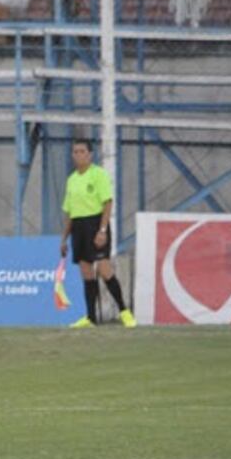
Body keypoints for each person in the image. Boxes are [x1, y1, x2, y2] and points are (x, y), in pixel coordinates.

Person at [59, 138, 136, 328]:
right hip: (78, 227)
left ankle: (125, 312)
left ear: (90, 154)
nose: (78, 155)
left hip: (95, 224)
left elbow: (107, 203)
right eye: (75, 152)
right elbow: (69, 212)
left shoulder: (98, 174)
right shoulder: (71, 180)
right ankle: (91, 318)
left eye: (82, 151)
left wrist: (102, 230)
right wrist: (64, 239)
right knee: (86, 272)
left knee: (104, 269)